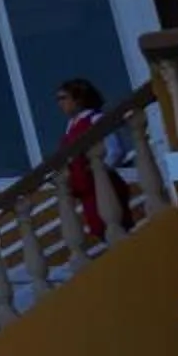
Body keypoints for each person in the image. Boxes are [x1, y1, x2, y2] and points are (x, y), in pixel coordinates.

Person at [55, 79, 139, 243]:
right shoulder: (71, 125)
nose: (60, 103)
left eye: (63, 98)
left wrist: (99, 171)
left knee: (116, 227)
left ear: (78, 98)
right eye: (58, 99)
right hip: (86, 190)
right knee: (100, 230)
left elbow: (115, 150)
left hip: (102, 184)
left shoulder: (95, 118)